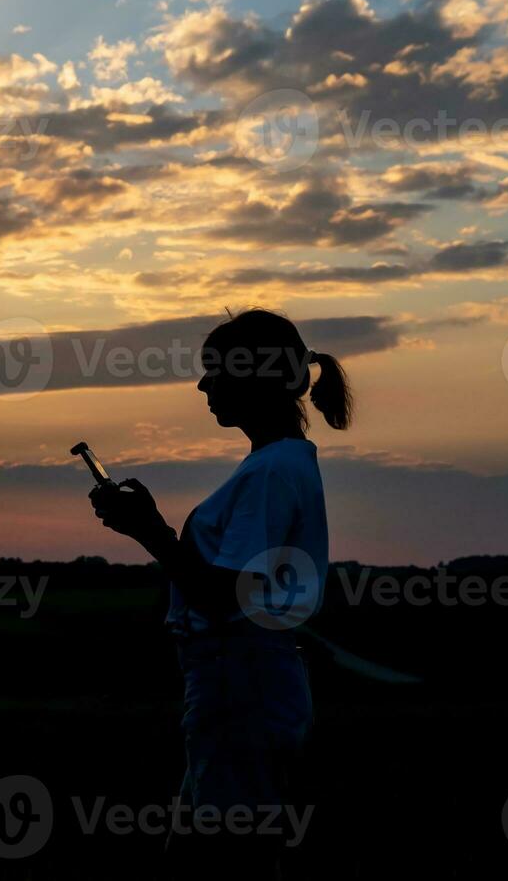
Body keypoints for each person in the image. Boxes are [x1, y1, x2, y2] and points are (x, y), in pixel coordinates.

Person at [88, 308, 353, 879]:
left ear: (256, 377)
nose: (203, 385)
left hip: (241, 681)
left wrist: (149, 530)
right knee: (226, 849)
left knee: (222, 861)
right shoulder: (278, 464)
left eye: (216, 371)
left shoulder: (269, 474)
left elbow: (224, 597)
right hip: (246, 678)